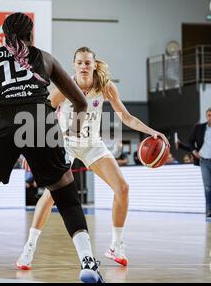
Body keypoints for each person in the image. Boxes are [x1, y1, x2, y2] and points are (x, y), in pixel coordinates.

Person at [0, 13, 104, 283]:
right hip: (38, 123)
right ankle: (87, 263)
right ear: (31, 35)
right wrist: (74, 128)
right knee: (66, 195)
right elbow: (81, 103)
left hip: (2, 125)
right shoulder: (45, 58)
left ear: (2, 36)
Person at [16, 46, 169, 270]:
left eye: (88, 62)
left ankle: (116, 245)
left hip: (92, 145)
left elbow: (125, 117)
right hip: (65, 143)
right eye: (79, 62)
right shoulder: (65, 87)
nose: (84, 66)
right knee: (51, 194)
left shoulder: (105, 86)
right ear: (74, 65)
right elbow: (40, 112)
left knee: (123, 188)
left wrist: (151, 132)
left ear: (94, 65)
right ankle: (28, 248)